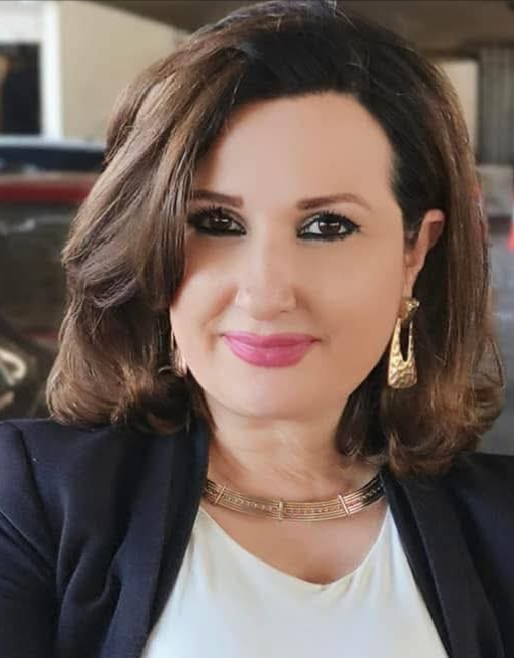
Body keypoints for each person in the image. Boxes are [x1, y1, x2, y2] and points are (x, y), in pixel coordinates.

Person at [0, 1, 512, 656]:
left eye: (327, 226)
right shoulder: (33, 501)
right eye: (216, 223)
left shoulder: (498, 525)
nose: (266, 293)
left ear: (415, 249)